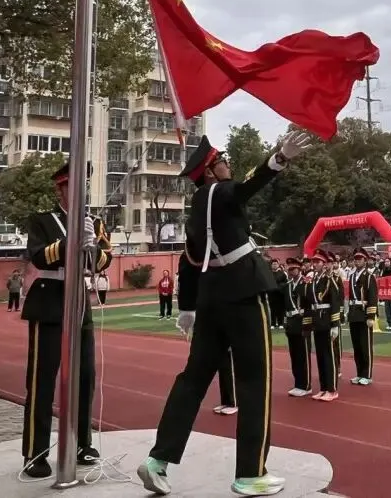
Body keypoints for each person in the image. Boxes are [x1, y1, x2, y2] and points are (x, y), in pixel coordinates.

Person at [138, 130, 316, 497]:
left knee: (193, 380)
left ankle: (158, 459)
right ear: (209, 171)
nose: (227, 165)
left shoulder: (195, 211)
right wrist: (279, 159)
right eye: (222, 161)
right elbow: (245, 188)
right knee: (254, 380)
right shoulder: (219, 191)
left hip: (210, 298)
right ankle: (251, 473)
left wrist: (187, 308)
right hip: (243, 292)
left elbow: (189, 262)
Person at [20, 160, 112, 479]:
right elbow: (38, 255)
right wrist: (69, 241)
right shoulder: (42, 220)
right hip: (49, 299)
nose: (81, 191)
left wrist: (92, 247)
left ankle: (82, 443)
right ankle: (35, 452)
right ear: (60, 188)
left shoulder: (93, 222)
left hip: (79, 300)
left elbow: (105, 261)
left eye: (84, 185)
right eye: (74, 185)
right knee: (42, 380)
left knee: (85, 376)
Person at [305, 249, 343, 402]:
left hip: (327, 320)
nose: (315, 264)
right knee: (320, 356)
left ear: (324, 264)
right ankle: (323, 388)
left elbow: (335, 302)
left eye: (318, 262)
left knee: (329, 356)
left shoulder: (329, 280)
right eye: (314, 262)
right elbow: (310, 302)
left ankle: (332, 389)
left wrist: (335, 324)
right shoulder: (313, 280)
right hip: (317, 321)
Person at [347, 249, 379, 385]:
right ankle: (359, 373)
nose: (357, 261)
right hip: (354, 313)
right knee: (357, 346)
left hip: (364, 313)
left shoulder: (369, 277)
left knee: (365, 346)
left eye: (360, 259)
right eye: (356, 259)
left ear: (365, 261)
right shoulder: (352, 276)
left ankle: (367, 374)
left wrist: (371, 315)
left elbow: (372, 297)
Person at [281, 258, 312, 396]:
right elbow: (285, 306)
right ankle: (298, 383)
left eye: (293, 269)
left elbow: (309, 305)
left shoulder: (306, 283)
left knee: (303, 355)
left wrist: (307, 324)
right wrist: (285, 323)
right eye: (289, 269)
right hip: (291, 323)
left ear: (299, 269)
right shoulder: (287, 285)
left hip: (302, 322)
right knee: (294, 355)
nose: (291, 272)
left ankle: (306, 385)